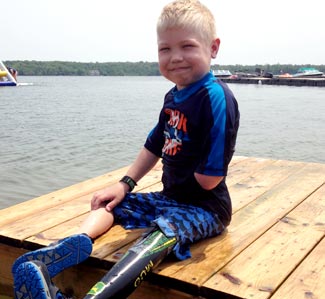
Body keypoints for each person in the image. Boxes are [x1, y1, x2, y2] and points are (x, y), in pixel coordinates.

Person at [12, 1, 240, 298]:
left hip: (206, 208)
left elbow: (211, 178)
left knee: (164, 231)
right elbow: (153, 145)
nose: (175, 57)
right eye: (165, 49)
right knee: (111, 205)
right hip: (169, 198)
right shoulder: (173, 97)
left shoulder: (216, 97)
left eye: (187, 46)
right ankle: (70, 247)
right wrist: (124, 184)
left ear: (213, 48)